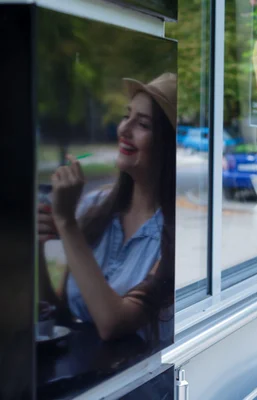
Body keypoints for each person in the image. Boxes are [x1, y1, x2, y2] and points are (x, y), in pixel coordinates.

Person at [37, 73, 176, 344]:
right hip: (81, 382)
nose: (124, 129)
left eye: (143, 124)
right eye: (127, 116)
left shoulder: (173, 237)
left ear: (167, 144)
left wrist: (66, 222)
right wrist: (36, 248)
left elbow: (114, 324)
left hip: (139, 383)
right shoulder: (94, 208)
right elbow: (62, 314)